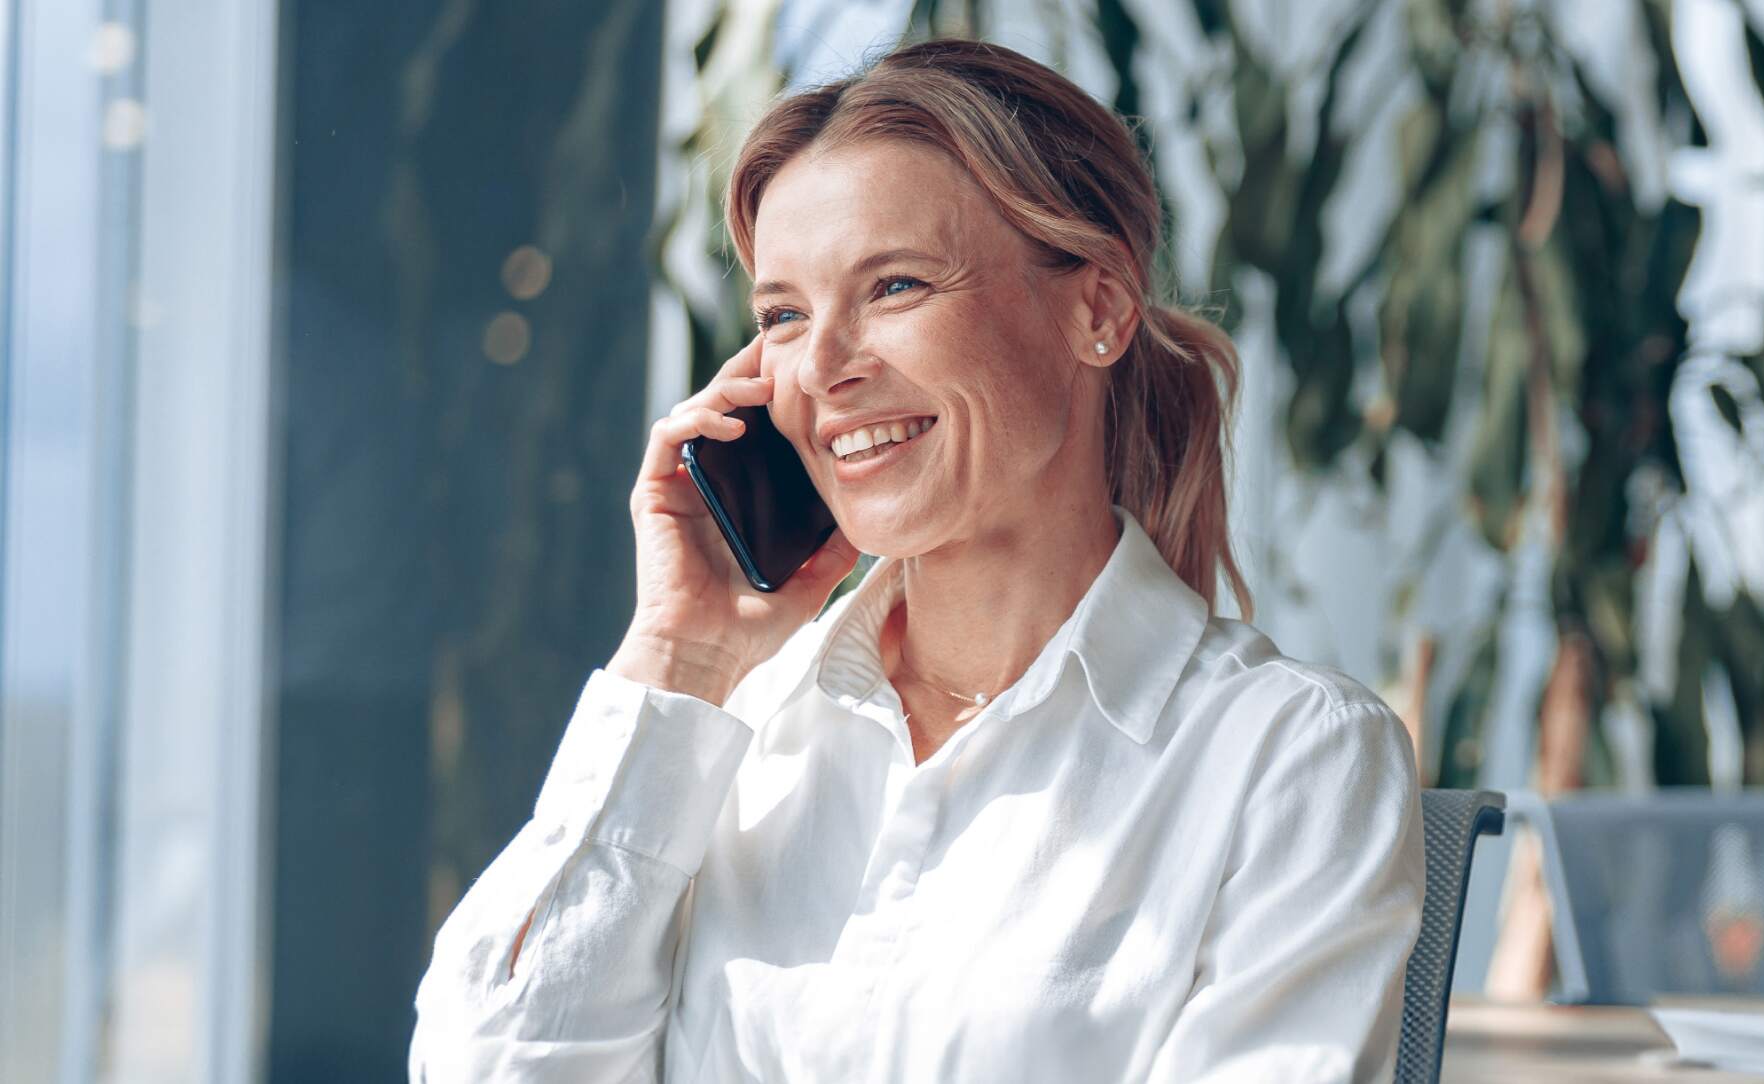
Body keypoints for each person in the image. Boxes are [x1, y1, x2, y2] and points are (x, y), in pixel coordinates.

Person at [408, 38, 1423, 1083]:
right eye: (785, 316)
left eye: (894, 285)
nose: (826, 367)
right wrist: (681, 654)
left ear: (1099, 308)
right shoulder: (733, 729)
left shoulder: (1286, 760)